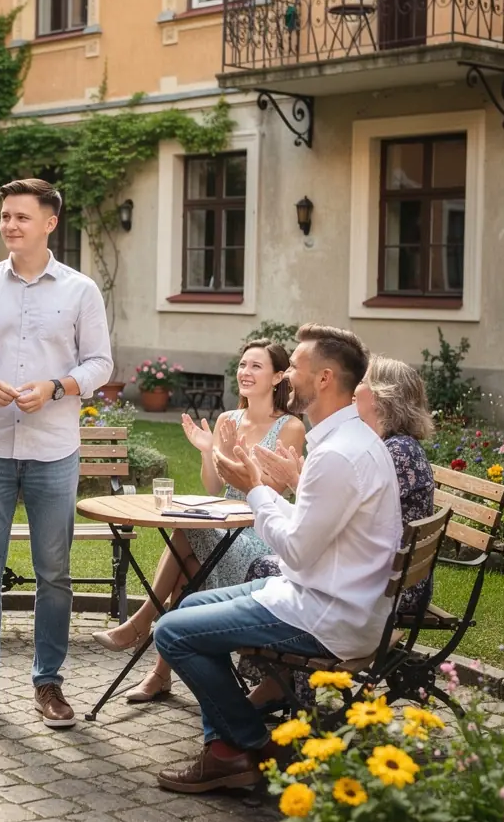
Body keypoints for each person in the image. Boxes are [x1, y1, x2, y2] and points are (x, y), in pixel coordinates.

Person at [153, 324, 403, 794]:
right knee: (187, 611)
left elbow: (295, 549)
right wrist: (276, 490)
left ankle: (252, 746)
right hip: (324, 593)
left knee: (171, 632)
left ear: (325, 378)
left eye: (296, 366)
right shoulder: (349, 441)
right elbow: (313, 534)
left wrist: (257, 491)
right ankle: (225, 753)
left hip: (326, 614)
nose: (287, 373)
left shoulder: (338, 454)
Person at [0, 178, 113, 728]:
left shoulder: (81, 290)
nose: (10, 225)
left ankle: (49, 684)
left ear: (49, 223)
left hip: (53, 450)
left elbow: (101, 364)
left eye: (21, 217)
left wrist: (57, 388)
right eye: (5, 216)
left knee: (55, 573)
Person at [92, 339, 304, 702]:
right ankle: (157, 668)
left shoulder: (291, 427)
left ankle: (143, 626)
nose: (246, 373)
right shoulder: (227, 419)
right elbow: (212, 485)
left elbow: (274, 489)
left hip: (261, 537)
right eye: (242, 365)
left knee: (186, 535)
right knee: (188, 559)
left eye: (256, 366)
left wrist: (240, 459)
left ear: (278, 377)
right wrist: (209, 451)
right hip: (221, 526)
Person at [244, 354, 436, 708]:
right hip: (390, 572)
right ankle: (278, 686)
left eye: (362, 383)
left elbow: (346, 518)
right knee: (276, 566)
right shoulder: (390, 446)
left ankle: (286, 693)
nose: (354, 390)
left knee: (268, 566)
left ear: (380, 396)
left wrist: (293, 481)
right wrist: (299, 480)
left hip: (384, 586)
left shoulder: (393, 452)